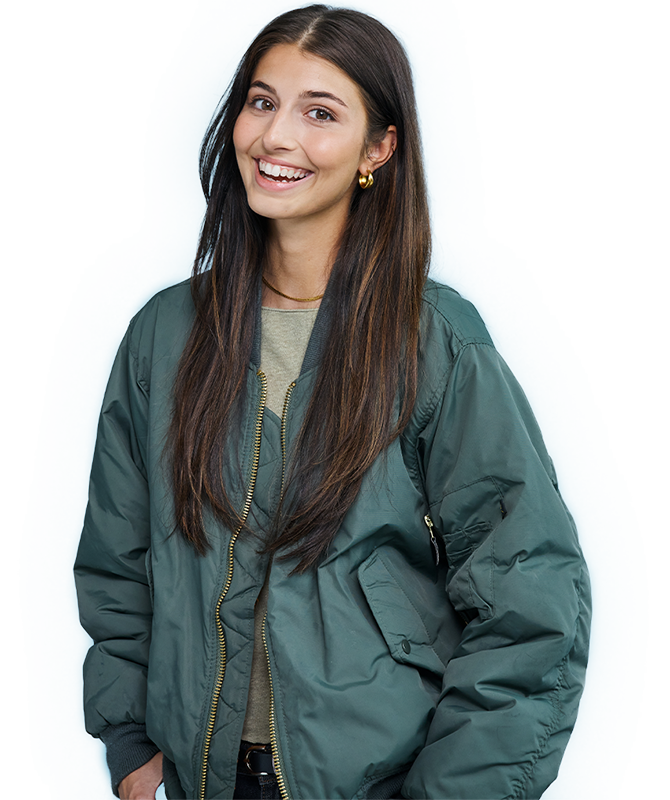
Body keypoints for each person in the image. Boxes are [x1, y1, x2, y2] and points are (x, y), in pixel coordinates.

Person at [74, 5, 592, 800]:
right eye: (262, 101)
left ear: (377, 149)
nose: (276, 136)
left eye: (320, 113)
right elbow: (118, 562)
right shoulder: (164, 335)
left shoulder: (436, 343)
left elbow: (532, 602)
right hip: (200, 779)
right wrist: (130, 744)